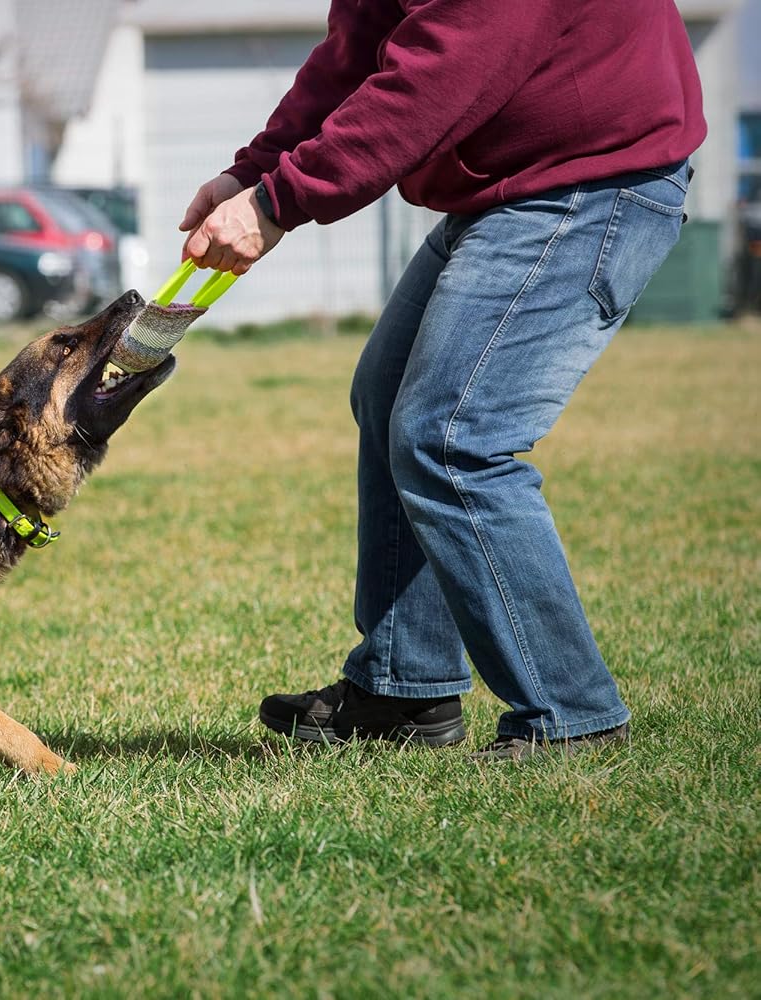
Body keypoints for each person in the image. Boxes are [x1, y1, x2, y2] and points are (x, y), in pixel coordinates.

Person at [178, 0, 705, 759]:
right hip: (512, 187)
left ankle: (572, 713)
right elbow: (357, 53)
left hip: (591, 180)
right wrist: (251, 173)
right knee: (389, 396)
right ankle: (407, 687)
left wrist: (277, 202)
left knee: (452, 435)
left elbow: (442, 71)